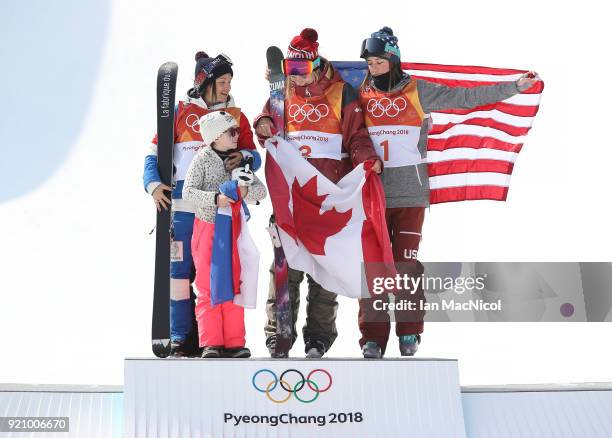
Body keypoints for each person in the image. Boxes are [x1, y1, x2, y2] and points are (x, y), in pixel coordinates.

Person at [356, 27, 538, 358]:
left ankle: (409, 334)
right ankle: (373, 338)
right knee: (373, 268)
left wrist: (514, 87)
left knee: (405, 265)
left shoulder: (417, 90)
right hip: (373, 196)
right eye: (369, 61)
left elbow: (464, 97)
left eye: (379, 60)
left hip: (411, 195)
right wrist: (278, 82)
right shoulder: (359, 95)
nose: (373, 65)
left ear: (393, 60)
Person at [254, 28, 382, 358]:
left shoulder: (342, 92)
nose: (294, 77)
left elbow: (357, 135)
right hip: (291, 198)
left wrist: (367, 160)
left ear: (315, 64)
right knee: (285, 266)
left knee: (325, 267)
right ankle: (278, 334)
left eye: (300, 70)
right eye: (289, 69)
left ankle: (318, 338)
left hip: (327, 195)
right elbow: (266, 118)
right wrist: (264, 122)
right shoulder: (282, 93)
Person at [143, 51, 261, 357]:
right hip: (183, 206)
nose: (226, 86)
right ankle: (181, 337)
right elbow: (152, 154)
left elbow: (254, 156)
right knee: (179, 277)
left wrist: (244, 157)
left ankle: (224, 340)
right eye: (222, 80)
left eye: (229, 81)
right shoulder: (180, 112)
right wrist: (153, 185)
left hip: (224, 212)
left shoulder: (236, 115)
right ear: (205, 81)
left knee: (222, 276)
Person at [183, 111, 267, 358]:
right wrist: (215, 199)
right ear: (216, 136)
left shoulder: (238, 159)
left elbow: (260, 194)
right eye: (231, 132)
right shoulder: (203, 158)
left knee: (234, 283)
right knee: (208, 285)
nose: (236, 136)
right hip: (208, 228)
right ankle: (211, 342)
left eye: (236, 131)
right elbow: (188, 192)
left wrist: (247, 183)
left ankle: (234, 342)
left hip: (233, 230)